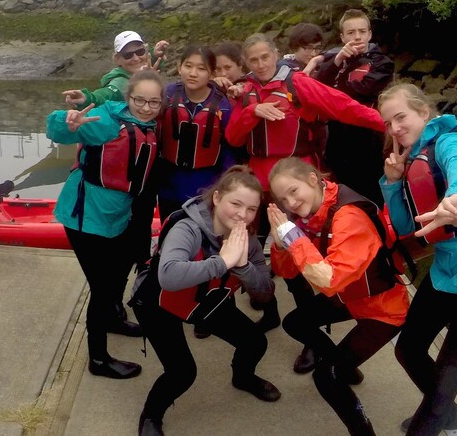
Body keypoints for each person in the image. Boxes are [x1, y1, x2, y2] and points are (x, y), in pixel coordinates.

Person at [224, 33, 387, 342]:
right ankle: (269, 311)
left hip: (295, 182)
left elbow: (343, 106)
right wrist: (251, 112)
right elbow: (233, 138)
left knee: (301, 253)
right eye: (253, 60)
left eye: (265, 57)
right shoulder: (245, 92)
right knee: (254, 250)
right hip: (259, 182)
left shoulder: (298, 84)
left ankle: (310, 331)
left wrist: (386, 123)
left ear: (276, 55)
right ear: (246, 63)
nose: (260, 65)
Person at [377, 83, 457, 435]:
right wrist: (391, 183)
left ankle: (439, 411)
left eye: (401, 117)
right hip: (444, 275)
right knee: (408, 350)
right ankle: (447, 413)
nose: (395, 129)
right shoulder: (410, 161)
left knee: (441, 391)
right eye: (388, 123)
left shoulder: (451, 142)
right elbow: (408, 227)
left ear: (423, 111)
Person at [130, 166, 278, 436]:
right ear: (218, 197)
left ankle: (242, 377)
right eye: (236, 203)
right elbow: (169, 276)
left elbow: (266, 292)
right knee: (182, 372)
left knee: (255, 341)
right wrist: (223, 262)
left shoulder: (249, 241)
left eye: (251, 209)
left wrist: (243, 266)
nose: (242, 215)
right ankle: (151, 415)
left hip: (205, 300)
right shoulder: (188, 228)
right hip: (158, 302)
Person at [268, 158, 409, 436]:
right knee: (296, 322)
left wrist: (291, 235)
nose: (291, 203)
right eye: (283, 199)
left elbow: (330, 280)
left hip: (384, 309)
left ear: (312, 179)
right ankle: (348, 368)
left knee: (326, 377)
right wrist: (278, 241)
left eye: (293, 191)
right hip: (351, 298)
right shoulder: (312, 215)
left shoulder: (348, 216)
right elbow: (286, 270)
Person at [45, 70, 165, 380]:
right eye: (140, 100)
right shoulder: (108, 121)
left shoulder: (152, 125)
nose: (146, 106)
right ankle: (98, 359)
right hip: (84, 216)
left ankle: (112, 320)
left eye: (154, 101)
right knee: (101, 289)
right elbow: (61, 129)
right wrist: (66, 121)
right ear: (129, 98)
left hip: (117, 216)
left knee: (115, 277)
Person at [314, 9, 394, 205]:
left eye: (361, 31)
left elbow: (361, 91)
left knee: (371, 193)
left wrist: (330, 90)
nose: (357, 37)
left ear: (369, 34)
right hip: (337, 139)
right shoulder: (336, 60)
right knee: (343, 193)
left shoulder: (382, 63)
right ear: (342, 36)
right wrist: (337, 60)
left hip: (368, 139)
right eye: (351, 33)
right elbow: (317, 85)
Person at [156, 45, 235, 220]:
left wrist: (224, 184)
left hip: (205, 183)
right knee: (169, 230)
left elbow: (229, 149)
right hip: (170, 181)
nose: (193, 73)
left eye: (201, 69)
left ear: (212, 74)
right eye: (188, 66)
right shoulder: (168, 95)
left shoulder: (223, 106)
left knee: (201, 236)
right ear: (179, 67)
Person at [62, 30, 169, 110]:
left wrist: (155, 55)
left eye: (140, 52)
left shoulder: (145, 70)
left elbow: (147, 67)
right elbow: (104, 95)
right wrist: (87, 98)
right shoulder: (119, 83)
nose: (136, 58)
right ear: (118, 60)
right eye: (128, 55)